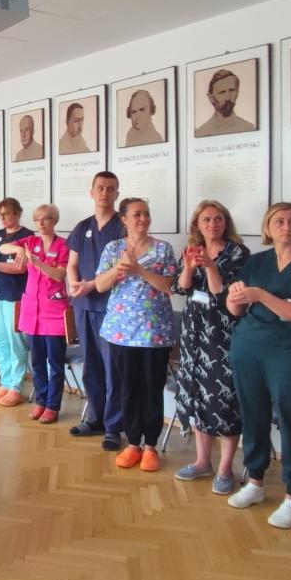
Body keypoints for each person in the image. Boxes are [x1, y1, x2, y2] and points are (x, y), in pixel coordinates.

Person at [225, 202, 291, 528]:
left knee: (290, 416)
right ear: (268, 227)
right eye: (279, 221)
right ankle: (255, 481)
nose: (286, 226)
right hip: (248, 346)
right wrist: (235, 296)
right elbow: (236, 310)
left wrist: (262, 296)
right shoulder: (256, 262)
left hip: (288, 350)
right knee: (252, 413)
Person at [94, 198, 178, 471]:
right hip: (121, 332)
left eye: (146, 213)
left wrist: (139, 269)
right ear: (124, 219)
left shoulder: (163, 249)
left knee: (152, 389)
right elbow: (100, 285)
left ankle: (151, 446)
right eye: (137, 214)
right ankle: (132, 443)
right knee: (127, 389)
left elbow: (169, 287)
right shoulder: (113, 248)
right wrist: (118, 269)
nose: (143, 218)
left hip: (155, 333)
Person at [171, 201, 249, 494]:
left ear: (225, 223)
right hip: (193, 332)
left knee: (223, 400)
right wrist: (189, 268)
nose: (213, 224)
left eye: (218, 219)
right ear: (198, 224)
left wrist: (211, 267)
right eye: (206, 220)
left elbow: (223, 297)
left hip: (222, 334)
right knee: (197, 397)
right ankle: (202, 461)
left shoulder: (239, 253)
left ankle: (226, 468)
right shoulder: (192, 249)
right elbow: (180, 288)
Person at [66, 172, 124, 447]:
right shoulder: (82, 227)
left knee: (112, 368)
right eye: (100, 188)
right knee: (90, 366)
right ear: (92, 192)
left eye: (110, 189)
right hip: (84, 306)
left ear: (117, 194)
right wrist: (73, 283)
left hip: (112, 307)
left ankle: (113, 426)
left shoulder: (122, 226)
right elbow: (71, 264)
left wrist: (91, 285)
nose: (105, 193)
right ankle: (96, 418)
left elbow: (122, 268)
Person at [1, 205, 69, 423]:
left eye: (45, 219)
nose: (40, 223)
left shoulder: (63, 245)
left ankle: (52, 405)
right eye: (37, 219)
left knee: (55, 362)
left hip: (54, 312)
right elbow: (3, 247)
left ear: (54, 220)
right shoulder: (30, 242)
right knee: (37, 361)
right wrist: (20, 251)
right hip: (32, 311)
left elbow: (59, 275)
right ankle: (41, 401)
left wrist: (38, 263)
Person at [0, 198, 33, 408]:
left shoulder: (27, 237)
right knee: (1, 341)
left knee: (16, 342)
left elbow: (20, 268)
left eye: (7, 214)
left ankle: (16, 387)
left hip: (14, 296)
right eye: (0, 215)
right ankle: (5, 382)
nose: (3, 218)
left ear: (18, 213)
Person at [194, 69, 256, 138]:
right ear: (211, 97)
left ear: (237, 92)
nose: (228, 98)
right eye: (222, 92)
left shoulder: (249, 128)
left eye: (232, 90)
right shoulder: (200, 133)